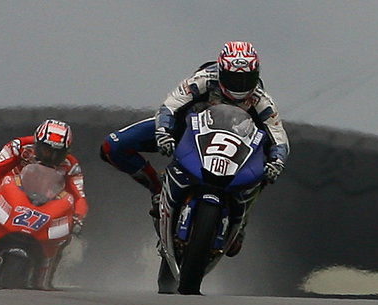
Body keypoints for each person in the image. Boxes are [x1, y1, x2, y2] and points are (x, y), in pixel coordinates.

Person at [100, 40, 287, 254]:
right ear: (222, 70)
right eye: (234, 78)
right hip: (188, 132)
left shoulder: (261, 99)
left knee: (266, 168)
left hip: (235, 149)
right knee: (112, 146)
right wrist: (164, 131)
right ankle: (158, 188)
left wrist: (277, 160)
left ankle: (241, 219)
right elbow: (170, 105)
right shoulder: (204, 79)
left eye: (246, 78)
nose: (240, 84)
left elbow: (279, 136)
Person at [0, 118, 89, 280]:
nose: (51, 157)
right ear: (37, 143)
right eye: (47, 150)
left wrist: (78, 218)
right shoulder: (19, 146)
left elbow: (79, 197)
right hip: (6, 190)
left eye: (58, 153)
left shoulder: (71, 166)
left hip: (46, 203)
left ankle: (48, 272)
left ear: (67, 152)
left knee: (67, 229)